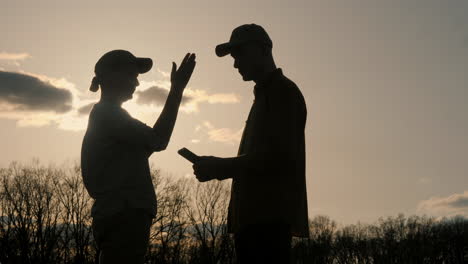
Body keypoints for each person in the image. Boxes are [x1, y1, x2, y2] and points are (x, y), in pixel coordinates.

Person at [192, 24, 309, 264]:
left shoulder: (283, 92)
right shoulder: (266, 96)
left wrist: (220, 167)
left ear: (264, 50)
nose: (235, 64)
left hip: (268, 221)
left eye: (240, 54)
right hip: (254, 221)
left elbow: (279, 157)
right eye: (234, 57)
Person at [81, 50, 196, 263]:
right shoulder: (109, 114)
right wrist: (177, 89)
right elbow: (158, 140)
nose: (137, 83)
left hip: (121, 214)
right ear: (114, 76)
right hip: (124, 214)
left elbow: (149, 145)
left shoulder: (110, 116)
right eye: (132, 76)